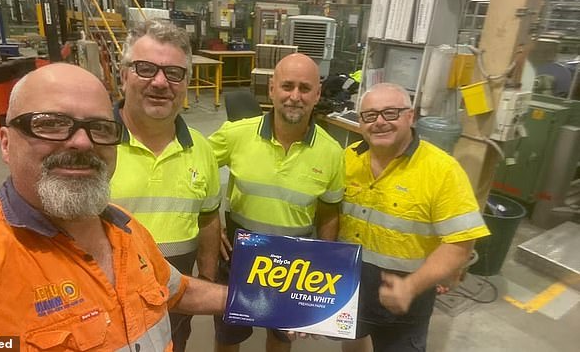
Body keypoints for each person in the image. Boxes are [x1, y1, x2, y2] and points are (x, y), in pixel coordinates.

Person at [0, 63, 227, 351]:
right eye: (51, 123)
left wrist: (262, 302)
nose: (82, 142)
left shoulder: (125, 227)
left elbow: (176, 292)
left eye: (101, 128)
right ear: (5, 143)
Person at [208, 53, 346, 352]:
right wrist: (209, 222)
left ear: (318, 94)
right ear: (272, 89)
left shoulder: (331, 152)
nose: (295, 96)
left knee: (281, 337)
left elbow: (329, 210)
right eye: (287, 86)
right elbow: (195, 170)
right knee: (229, 336)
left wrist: (324, 260)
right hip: (238, 256)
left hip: (294, 264)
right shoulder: (236, 135)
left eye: (305, 88)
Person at [338, 83, 491, 352]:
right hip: (350, 290)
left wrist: (411, 287)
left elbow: (461, 243)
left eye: (391, 113)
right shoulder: (346, 159)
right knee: (352, 341)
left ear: (411, 116)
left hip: (405, 301)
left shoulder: (442, 170)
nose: (380, 122)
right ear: (361, 122)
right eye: (370, 116)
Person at [110, 20, 222, 352]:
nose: (160, 82)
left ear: (186, 83)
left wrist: (207, 281)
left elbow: (208, 219)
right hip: (106, 309)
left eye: (174, 73)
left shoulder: (202, 149)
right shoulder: (92, 144)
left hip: (175, 308)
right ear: (123, 74)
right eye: (145, 69)